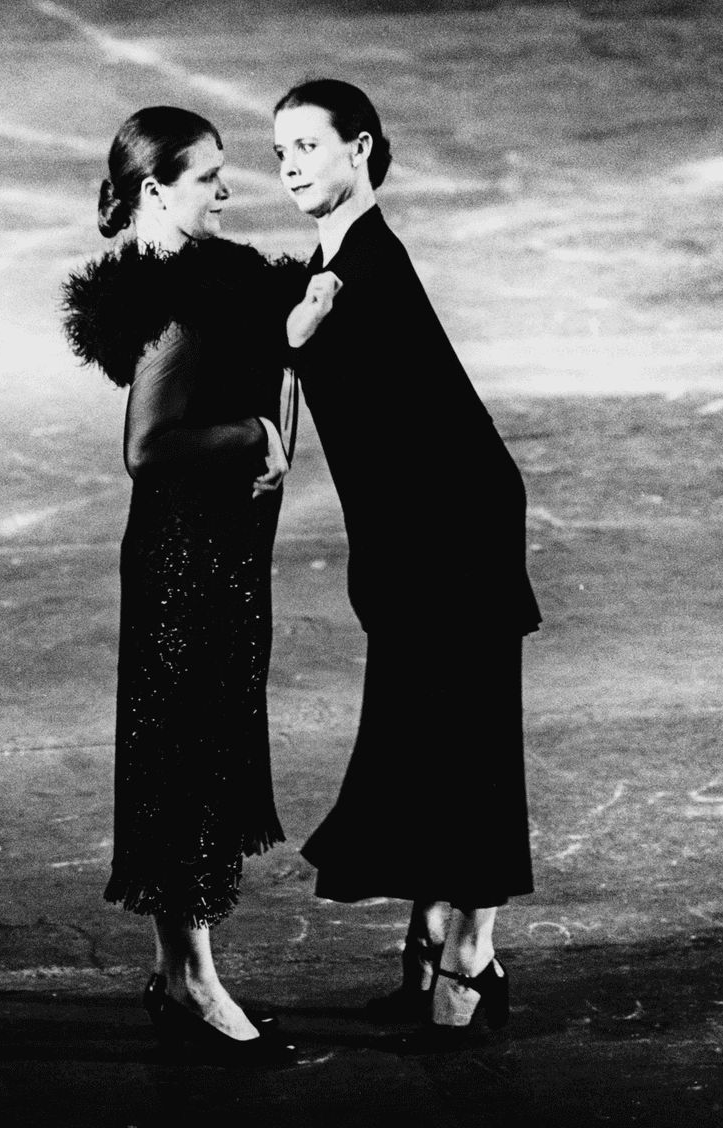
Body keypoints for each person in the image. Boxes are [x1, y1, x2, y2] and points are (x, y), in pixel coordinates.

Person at [274, 79, 543, 1047]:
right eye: (282, 154)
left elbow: (415, 431)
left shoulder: (371, 265)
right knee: (427, 744)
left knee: (463, 750)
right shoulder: (333, 259)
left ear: (361, 148)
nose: (294, 165)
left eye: (309, 145)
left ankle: (470, 956)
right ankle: (434, 940)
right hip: (416, 543)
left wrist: (292, 336)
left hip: (455, 540)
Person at [60, 106, 307, 1065]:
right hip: (185, 565)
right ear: (157, 188)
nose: (228, 189)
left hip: (225, 553)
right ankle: (193, 981)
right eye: (210, 177)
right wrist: (256, 437)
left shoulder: (213, 277)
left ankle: (179, 972)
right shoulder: (169, 300)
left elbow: (265, 323)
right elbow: (148, 446)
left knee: (198, 749)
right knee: (186, 756)